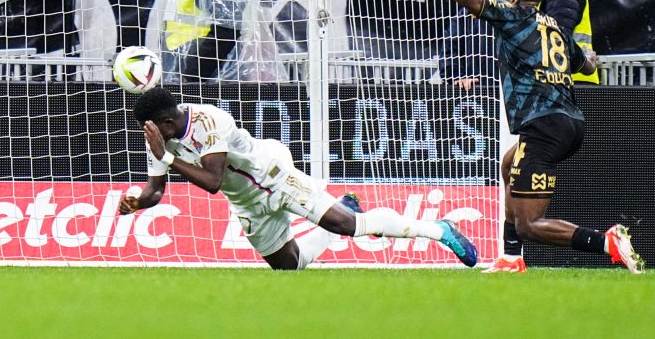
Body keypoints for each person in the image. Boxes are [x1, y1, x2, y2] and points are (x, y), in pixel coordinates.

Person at [120, 87, 479, 270]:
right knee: (288, 264)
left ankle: (439, 229)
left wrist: (166, 156)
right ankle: (334, 215)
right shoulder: (161, 140)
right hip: (246, 201)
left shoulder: (208, 120)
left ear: (166, 123)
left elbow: (212, 180)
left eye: (149, 127)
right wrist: (137, 202)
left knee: (348, 225)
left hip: (271, 174)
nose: (147, 133)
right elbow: (155, 189)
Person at [452, 0, 643, 274]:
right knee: (509, 164)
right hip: (569, 120)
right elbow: (585, 65)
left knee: (531, 225)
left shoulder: (514, 17)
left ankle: (608, 242)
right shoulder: (554, 27)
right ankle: (511, 258)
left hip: (544, 125)